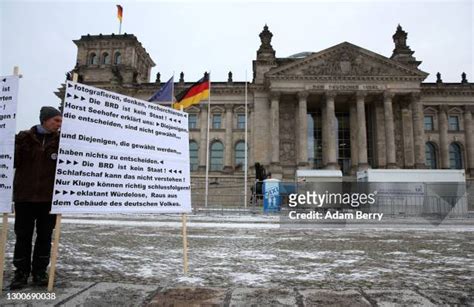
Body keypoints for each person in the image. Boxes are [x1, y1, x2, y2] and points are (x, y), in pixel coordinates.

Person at [10, 106, 62, 289]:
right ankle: (21, 272)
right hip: (24, 197)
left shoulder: (61, 142)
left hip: (48, 199)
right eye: (56, 120)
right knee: (23, 236)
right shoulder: (23, 138)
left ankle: (40, 271)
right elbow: (12, 162)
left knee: (45, 237)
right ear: (45, 120)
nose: (59, 124)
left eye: (60, 121)